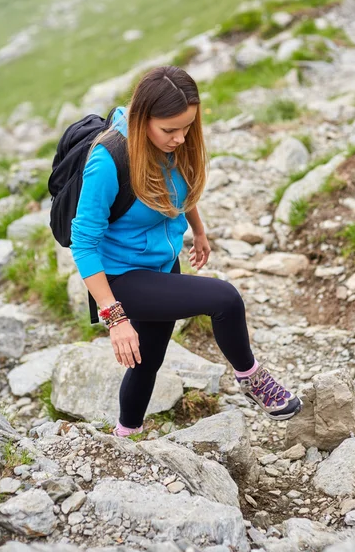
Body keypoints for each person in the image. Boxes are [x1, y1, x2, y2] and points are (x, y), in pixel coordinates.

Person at [70, 65, 302, 438]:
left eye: (187, 127)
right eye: (170, 130)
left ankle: (124, 435)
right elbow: (83, 243)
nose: (180, 137)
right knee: (224, 298)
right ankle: (253, 380)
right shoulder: (108, 160)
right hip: (119, 277)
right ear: (144, 118)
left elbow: (180, 183)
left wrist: (198, 230)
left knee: (148, 360)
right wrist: (114, 317)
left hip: (162, 264)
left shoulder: (171, 142)